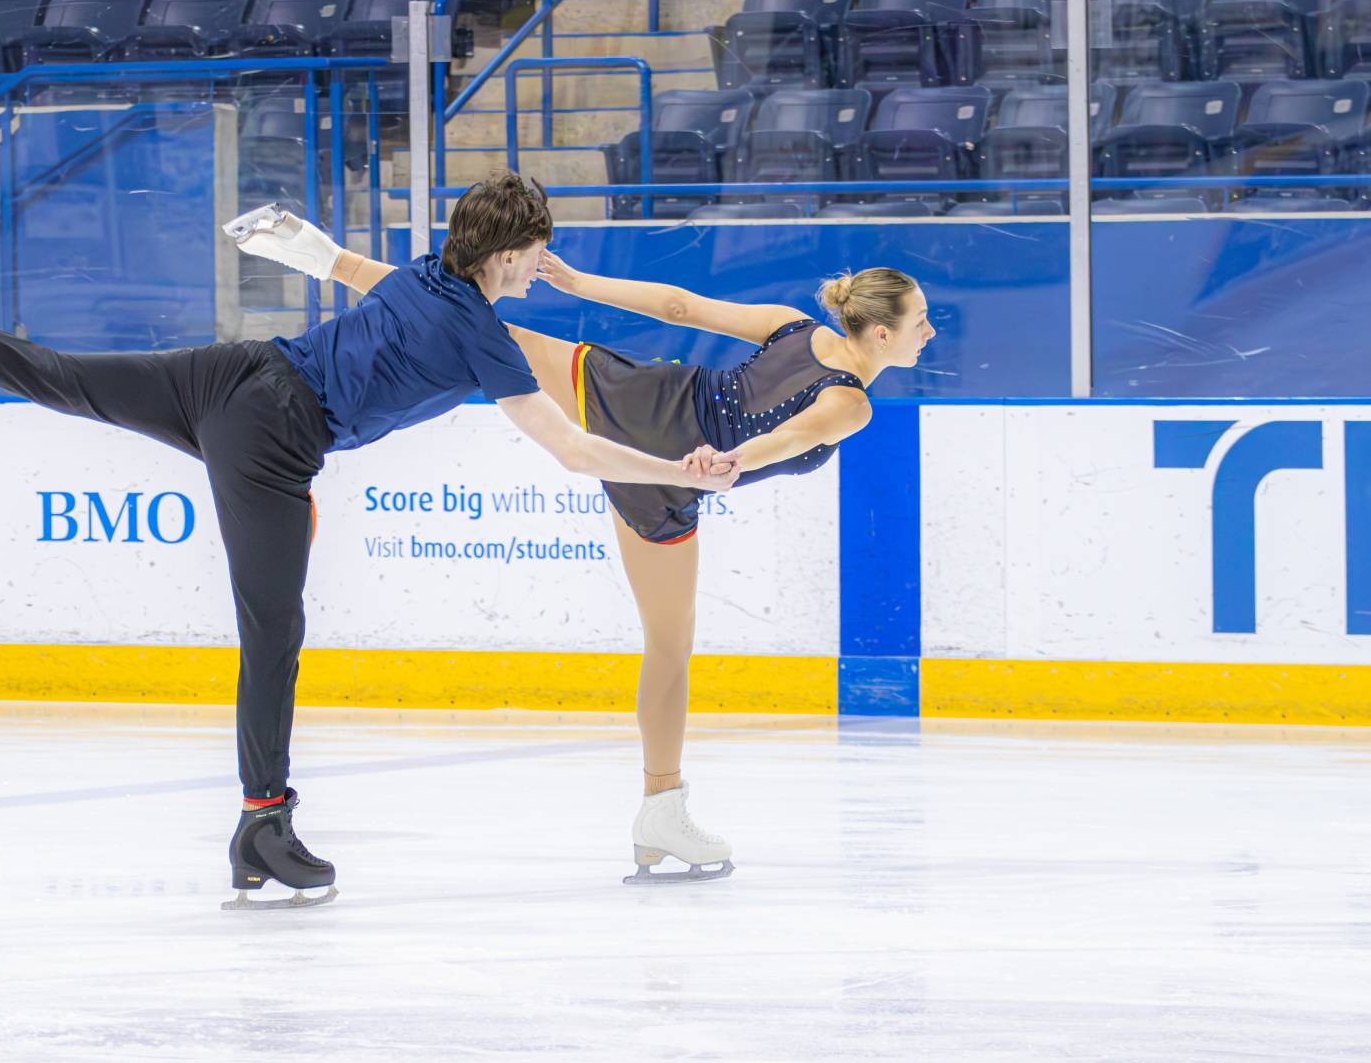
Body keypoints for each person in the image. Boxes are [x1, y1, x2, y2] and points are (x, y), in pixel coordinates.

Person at [0, 171, 738, 909]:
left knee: (55, 374)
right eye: (535, 257)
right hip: (274, 442)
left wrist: (305, 245)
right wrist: (682, 468)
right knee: (273, 634)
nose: (538, 274)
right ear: (509, 254)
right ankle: (264, 823)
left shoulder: (426, 278)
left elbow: (360, 271)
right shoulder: (480, 330)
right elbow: (571, 449)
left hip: (227, 376)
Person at [237, 205, 934, 884]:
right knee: (669, 644)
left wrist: (581, 283)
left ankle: (325, 258)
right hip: (673, 477)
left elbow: (680, 306)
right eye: (919, 321)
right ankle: (661, 806)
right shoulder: (853, 401)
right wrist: (729, 464)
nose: (928, 332)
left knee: (469, 324)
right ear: (877, 333)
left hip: (641, 403)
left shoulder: (795, 328)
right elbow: (794, 435)